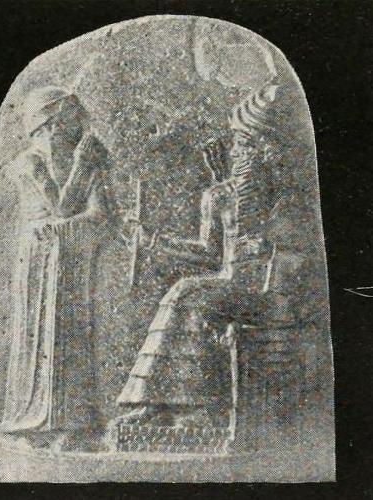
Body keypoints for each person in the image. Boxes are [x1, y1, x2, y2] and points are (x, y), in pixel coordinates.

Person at [112, 127, 311, 432]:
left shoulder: (285, 199)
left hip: (270, 293)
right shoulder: (220, 195)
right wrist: (155, 241)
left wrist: (272, 249)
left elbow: (303, 252)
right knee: (183, 292)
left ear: (265, 152)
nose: (237, 154)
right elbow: (209, 253)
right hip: (233, 285)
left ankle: (192, 406)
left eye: (245, 148)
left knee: (192, 299)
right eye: (237, 148)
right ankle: (158, 403)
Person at [0, 86, 117, 450]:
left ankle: (75, 423)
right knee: (41, 334)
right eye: (70, 119)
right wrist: (83, 164)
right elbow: (62, 206)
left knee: (73, 336)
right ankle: (34, 422)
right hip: (41, 257)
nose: (79, 125)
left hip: (72, 256)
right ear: (50, 125)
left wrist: (90, 170)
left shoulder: (86, 160)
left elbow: (104, 214)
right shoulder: (30, 162)